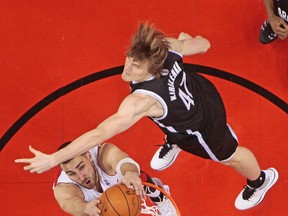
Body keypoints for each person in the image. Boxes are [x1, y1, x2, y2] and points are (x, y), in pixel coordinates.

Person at [16, 22, 278, 210]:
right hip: (200, 91)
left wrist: (54, 159)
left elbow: (100, 133)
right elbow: (201, 44)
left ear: (151, 69)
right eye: (129, 59)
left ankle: (260, 180)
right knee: (168, 120)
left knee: (231, 156)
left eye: (135, 66)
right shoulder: (166, 50)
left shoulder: (141, 101)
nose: (127, 67)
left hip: (199, 128)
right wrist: (194, 42)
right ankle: (172, 140)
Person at [54, 141, 176, 216]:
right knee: (84, 214)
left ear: (89, 156)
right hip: (95, 205)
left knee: (135, 179)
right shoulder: (64, 187)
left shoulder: (103, 153)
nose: (80, 177)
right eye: (71, 173)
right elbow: (70, 204)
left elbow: (124, 161)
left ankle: (161, 200)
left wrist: (130, 172)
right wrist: (85, 207)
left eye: (81, 167)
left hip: (120, 186)